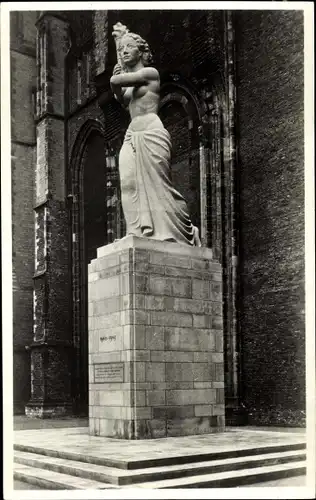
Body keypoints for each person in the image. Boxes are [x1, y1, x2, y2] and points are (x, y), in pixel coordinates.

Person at [110, 23, 201, 246]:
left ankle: (188, 230)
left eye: (129, 47)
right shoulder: (134, 82)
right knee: (128, 183)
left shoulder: (150, 74)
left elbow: (115, 81)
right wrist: (118, 74)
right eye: (122, 49)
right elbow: (122, 99)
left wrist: (118, 68)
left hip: (151, 132)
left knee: (160, 188)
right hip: (133, 133)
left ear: (141, 52)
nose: (124, 51)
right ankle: (136, 230)